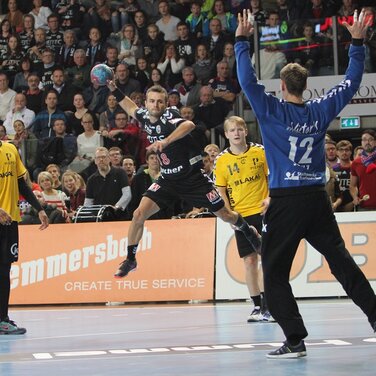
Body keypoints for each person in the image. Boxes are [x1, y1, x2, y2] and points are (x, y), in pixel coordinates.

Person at [235, 8, 376, 358]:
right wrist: (356, 42)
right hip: (317, 199)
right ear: (306, 86)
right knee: (342, 263)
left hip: (285, 202)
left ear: (282, 87)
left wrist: (241, 40)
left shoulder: (271, 109)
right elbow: (351, 81)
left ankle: (295, 338)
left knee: (275, 272)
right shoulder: (321, 109)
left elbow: (246, 81)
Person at [110, 84, 262, 278]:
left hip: (193, 179)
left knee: (225, 214)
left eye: (160, 101)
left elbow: (188, 125)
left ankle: (246, 229)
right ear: (146, 103)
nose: (156, 105)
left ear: (166, 103)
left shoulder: (169, 117)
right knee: (139, 213)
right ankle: (130, 259)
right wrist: (113, 88)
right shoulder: (145, 117)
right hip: (168, 179)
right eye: (152, 101)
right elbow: (129, 107)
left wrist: (165, 141)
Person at [214, 116, 274, 322]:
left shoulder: (260, 151)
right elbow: (221, 191)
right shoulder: (221, 160)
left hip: (263, 212)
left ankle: (268, 306)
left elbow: (272, 177)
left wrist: (269, 198)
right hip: (241, 216)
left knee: (266, 259)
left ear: (245, 131)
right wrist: (230, 216)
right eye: (232, 130)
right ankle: (257, 306)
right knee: (249, 261)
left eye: (240, 129)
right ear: (226, 134)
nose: (237, 133)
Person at [0, 140, 48, 334]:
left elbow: (21, 183)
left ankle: (3, 319)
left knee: (4, 272)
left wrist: (39, 209)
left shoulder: (10, 149)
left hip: (9, 221)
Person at [84, 146, 131, 219]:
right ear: (95, 161)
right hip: (100, 219)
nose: (101, 160)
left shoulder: (120, 173)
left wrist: (115, 208)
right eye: (98, 158)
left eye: (103, 157)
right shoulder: (91, 180)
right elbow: (88, 202)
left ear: (109, 159)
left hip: (120, 217)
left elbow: (127, 194)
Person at [350, 129, 376, 211]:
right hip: (364, 206)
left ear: (375, 142)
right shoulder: (356, 162)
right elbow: (352, 185)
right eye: (364, 140)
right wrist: (355, 197)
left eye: (370, 139)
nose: (367, 142)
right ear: (361, 142)